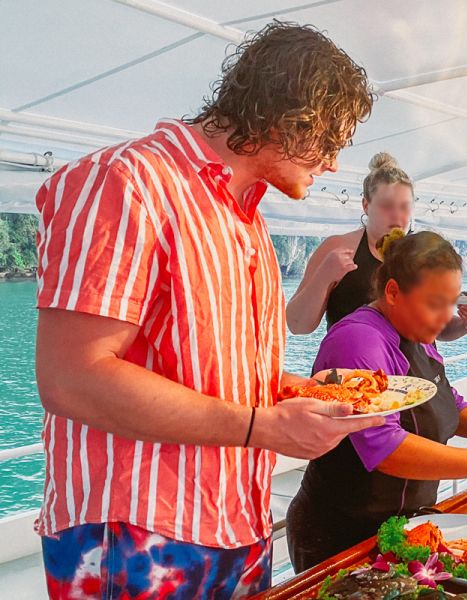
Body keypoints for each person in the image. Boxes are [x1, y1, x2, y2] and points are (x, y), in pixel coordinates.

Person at [32, 22, 386, 598]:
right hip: (138, 533)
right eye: (331, 142)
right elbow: (72, 377)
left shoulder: (246, 219)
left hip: (235, 521)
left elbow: (213, 374)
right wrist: (262, 426)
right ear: (289, 117)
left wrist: (297, 394)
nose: (333, 165)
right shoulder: (125, 181)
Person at [286, 229, 467, 571]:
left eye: (451, 303)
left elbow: (447, 402)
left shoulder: (419, 333)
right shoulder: (358, 340)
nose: (446, 317)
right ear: (393, 292)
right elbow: (385, 447)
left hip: (404, 526)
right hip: (343, 534)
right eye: (434, 304)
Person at [286, 152, 467, 338]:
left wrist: (465, 324)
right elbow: (297, 325)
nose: (397, 216)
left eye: (404, 206)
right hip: (356, 369)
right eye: (387, 206)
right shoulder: (338, 247)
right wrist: (325, 275)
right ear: (366, 205)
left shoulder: (422, 252)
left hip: (413, 373)